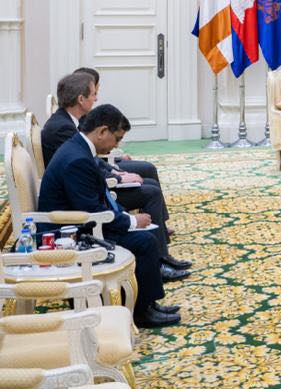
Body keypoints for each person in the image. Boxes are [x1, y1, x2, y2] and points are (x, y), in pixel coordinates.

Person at [37, 104, 179, 329]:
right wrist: (132, 221)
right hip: (69, 235)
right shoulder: (77, 159)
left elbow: (96, 202)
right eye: (117, 138)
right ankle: (142, 311)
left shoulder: (79, 148)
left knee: (144, 236)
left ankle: (149, 304)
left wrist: (124, 216)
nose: (117, 145)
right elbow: (92, 213)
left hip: (78, 223)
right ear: (102, 131)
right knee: (145, 241)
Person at [42, 72, 189, 277]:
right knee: (149, 202)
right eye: (93, 94)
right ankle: (158, 261)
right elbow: (87, 194)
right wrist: (128, 213)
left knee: (147, 177)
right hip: (71, 226)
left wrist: (116, 174)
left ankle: (159, 247)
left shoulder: (73, 130)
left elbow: (91, 163)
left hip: (82, 201)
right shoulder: (64, 132)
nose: (96, 98)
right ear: (81, 99)